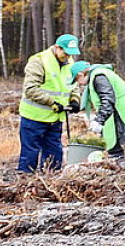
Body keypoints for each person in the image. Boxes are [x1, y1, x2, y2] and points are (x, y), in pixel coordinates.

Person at [17, 34, 83, 172]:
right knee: (30, 155)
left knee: (55, 155)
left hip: (56, 119)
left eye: (70, 54)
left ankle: (51, 182)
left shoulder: (70, 63)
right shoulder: (38, 61)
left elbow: (73, 85)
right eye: (65, 53)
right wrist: (52, 102)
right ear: (57, 48)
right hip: (33, 118)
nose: (68, 56)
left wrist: (75, 100)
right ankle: (24, 184)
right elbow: (31, 89)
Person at [69, 61, 125, 160]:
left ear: (80, 75)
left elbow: (108, 100)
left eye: (76, 80)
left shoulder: (98, 77)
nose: (79, 83)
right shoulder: (101, 73)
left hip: (123, 118)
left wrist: (99, 120)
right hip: (123, 115)